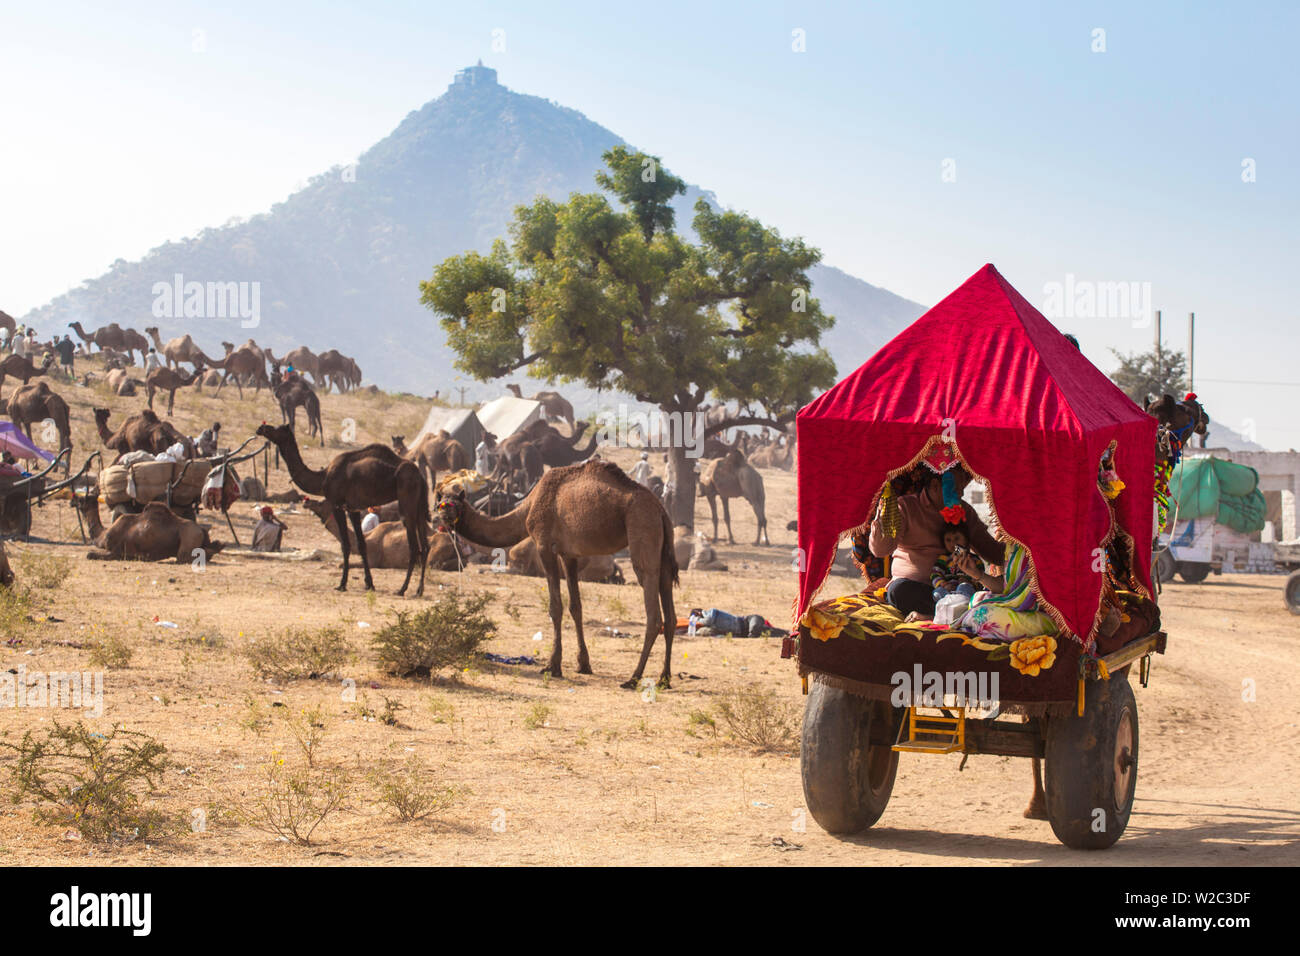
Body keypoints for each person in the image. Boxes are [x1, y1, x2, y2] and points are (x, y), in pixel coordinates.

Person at [868, 459, 1002, 617]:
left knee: (983, 592)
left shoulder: (964, 511)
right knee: (899, 591)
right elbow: (880, 550)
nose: (961, 494)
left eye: (962, 488)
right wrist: (883, 517)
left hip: (959, 587)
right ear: (935, 485)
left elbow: (993, 552)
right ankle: (954, 614)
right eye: (956, 488)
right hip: (917, 589)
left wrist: (1018, 543)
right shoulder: (905, 507)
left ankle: (948, 613)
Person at [953, 542, 1058, 642]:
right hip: (1018, 606)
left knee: (981, 616)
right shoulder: (1013, 545)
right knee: (977, 598)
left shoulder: (1049, 543)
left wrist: (1026, 600)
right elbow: (1008, 590)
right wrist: (978, 574)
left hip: (1046, 616)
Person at [930, 524, 984, 605]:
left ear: (966, 539)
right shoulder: (944, 559)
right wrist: (944, 584)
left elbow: (981, 577)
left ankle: (961, 607)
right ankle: (948, 607)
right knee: (937, 592)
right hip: (947, 591)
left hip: (965, 591)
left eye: (957, 538)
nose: (953, 543)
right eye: (948, 540)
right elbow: (935, 574)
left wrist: (970, 582)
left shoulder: (974, 559)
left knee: (964, 587)